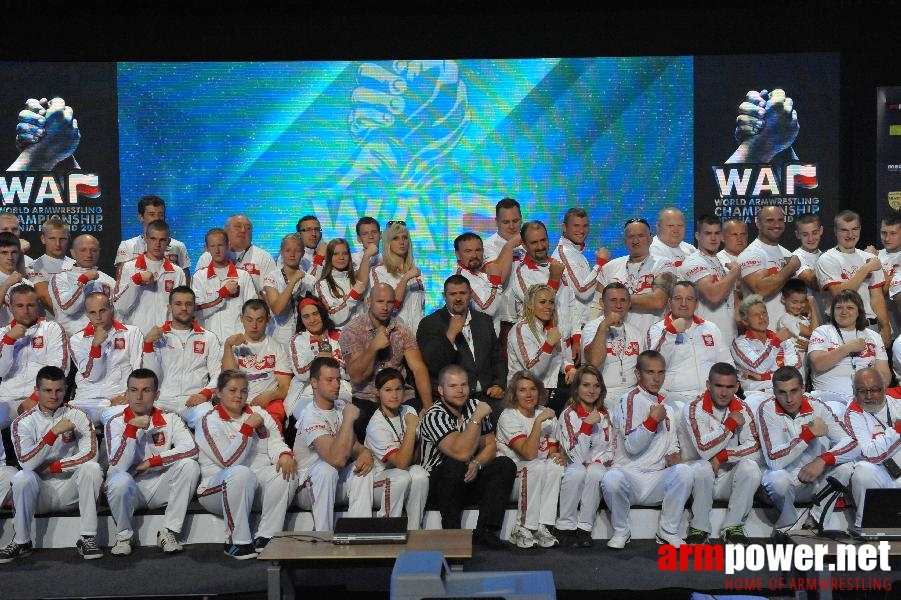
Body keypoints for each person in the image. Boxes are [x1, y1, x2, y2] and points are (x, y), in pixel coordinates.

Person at [0, 366, 103, 562]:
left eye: (59, 390)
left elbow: (90, 454)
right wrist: (53, 433)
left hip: (70, 489)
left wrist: (53, 467)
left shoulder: (78, 415)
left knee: (92, 468)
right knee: (22, 477)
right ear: (36, 391)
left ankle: (88, 538)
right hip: (40, 492)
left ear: (66, 390)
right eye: (47, 390)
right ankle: (21, 541)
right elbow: (28, 463)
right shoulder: (22, 423)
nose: (54, 396)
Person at [196, 370, 298, 559]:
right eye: (232, 390)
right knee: (240, 473)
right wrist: (247, 428)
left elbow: (275, 441)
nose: (238, 395)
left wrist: (284, 454)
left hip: (254, 483)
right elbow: (228, 461)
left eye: (243, 391)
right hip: (216, 489)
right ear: (218, 393)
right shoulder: (209, 420)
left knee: (287, 471)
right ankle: (236, 541)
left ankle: (267, 537)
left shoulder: (258, 412)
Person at [418, 364, 516, 548]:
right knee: (456, 464)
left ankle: (486, 532)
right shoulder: (435, 415)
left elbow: (490, 445)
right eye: (453, 386)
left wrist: (478, 463)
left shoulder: (474, 406)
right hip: (437, 484)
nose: (460, 391)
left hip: (468, 475)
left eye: (463, 385)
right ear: (440, 390)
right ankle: (452, 535)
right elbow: (461, 452)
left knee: (504, 464)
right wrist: (476, 419)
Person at [104, 368, 200, 556]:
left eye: (146, 390)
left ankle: (168, 531)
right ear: (126, 393)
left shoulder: (170, 418)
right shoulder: (114, 422)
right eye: (133, 390)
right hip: (130, 488)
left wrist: (151, 462)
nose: (139, 396)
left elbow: (191, 449)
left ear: (156, 394)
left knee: (190, 466)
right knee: (119, 480)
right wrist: (131, 429)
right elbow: (119, 465)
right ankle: (123, 536)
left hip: (160, 484)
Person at [603, 350, 693, 549]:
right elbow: (632, 446)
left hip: (655, 479)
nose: (656, 378)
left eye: (661, 372)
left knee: (685, 472)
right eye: (650, 372)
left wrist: (674, 454)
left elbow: (670, 444)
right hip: (629, 477)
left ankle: (668, 531)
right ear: (638, 374)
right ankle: (621, 531)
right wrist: (652, 421)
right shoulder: (628, 400)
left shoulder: (667, 407)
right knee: (611, 478)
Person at [758, 366, 858, 534]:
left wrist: (823, 460)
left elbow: (852, 444)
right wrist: (808, 435)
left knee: (845, 468)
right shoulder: (766, 409)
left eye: (794, 391)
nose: (789, 399)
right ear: (774, 392)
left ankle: (815, 520)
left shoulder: (818, 407)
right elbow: (774, 461)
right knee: (778, 480)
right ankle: (788, 528)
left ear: (803, 389)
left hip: (815, 480)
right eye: (782, 392)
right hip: (785, 482)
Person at [293, 357, 384, 531]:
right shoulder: (310, 414)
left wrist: (364, 453)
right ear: (314, 383)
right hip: (306, 488)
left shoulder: (340, 406)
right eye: (329, 380)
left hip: (333, 483)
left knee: (362, 468)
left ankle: (360, 533)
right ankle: (323, 536)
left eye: (338, 379)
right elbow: (337, 460)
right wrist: (349, 419)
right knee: (326, 469)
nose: (336, 385)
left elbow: (354, 447)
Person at [678, 363, 762, 545]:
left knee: (751, 467)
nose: (724, 393)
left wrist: (723, 456)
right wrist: (730, 425)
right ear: (708, 385)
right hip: (697, 478)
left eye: (730, 387)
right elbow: (704, 450)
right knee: (703, 466)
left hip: (726, 478)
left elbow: (755, 447)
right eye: (719, 386)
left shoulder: (743, 408)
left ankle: (733, 526)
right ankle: (699, 527)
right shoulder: (693, 408)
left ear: (737, 386)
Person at [342, 283, 432, 440]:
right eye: (380, 302)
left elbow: (418, 368)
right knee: (359, 418)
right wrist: (372, 348)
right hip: (368, 397)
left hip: (400, 395)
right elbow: (356, 376)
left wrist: (428, 406)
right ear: (369, 301)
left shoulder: (401, 330)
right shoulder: (353, 330)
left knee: (425, 416)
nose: (385, 307)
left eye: (390, 302)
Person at [417, 275, 506, 420]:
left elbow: (497, 358)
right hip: (451, 402)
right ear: (444, 296)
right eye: (453, 294)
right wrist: (450, 335)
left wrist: (499, 384)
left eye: (462, 293)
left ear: (470, 294)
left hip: (487, 397)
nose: (458, 298)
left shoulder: (484, 320)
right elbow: (435, 366)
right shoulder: (430, 324)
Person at [495, 370, 564, 548]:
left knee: (554, 466)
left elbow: (551, 450)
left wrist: (556, 455)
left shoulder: (546, 413)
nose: (528, 394)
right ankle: (522, 527)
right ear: (514, 394)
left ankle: (542, 525)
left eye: (533, 389)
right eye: (522, 390)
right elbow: (529, 454)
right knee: (535, 466)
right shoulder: (509, 417)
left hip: (535, 474)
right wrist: (538, 422)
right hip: (511, 478)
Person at [142, 286, 223, 428]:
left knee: (210, 420)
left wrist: (204, 394)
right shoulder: (157, 336)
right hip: (163, 400)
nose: (184, 308)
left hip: (195, 400)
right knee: (144, 427)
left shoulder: (208, 337)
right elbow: (149, 375)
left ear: (194, 307)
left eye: (188, 304)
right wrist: (148, 345)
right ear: (169, 307)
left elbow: (218, 374)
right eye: (178, 304)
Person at [646, 281, 733, 409]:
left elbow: (726, 363)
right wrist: (671, 332)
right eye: (678, 298)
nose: (684, 304)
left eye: (689, 299)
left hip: (711, 397)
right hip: (674, 399)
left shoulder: (710, 328)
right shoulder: (657, 330)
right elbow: (653, 365)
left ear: (696, 303)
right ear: (669, 303)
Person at [554, 365, 614, 548]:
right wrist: (587, 425)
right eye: (586, 385)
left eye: (596, 386)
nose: (591, 390)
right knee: (578, 471)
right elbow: (577, 456)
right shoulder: (568, 414)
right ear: (577, 388)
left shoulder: (607, 414)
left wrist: (597, 462)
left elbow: (611, 449)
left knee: (595, 472)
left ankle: (584, 527)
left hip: (597, 464)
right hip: (573, 464)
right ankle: (565, 526)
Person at [364, 367, 430, 529]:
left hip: (399, 473)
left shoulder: (408, 410)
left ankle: (415, 529)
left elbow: (414, 458)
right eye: (388, 390)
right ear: (378, 392)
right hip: (377, 481)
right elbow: (401, 463)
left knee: (420, 474)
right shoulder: (376, 425)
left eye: (398, 389)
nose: (394, 395)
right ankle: (388, 528)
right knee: (401, 477)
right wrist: (412, 426)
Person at [816, 210, 891, 347]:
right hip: (840, 328)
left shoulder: (869, 258)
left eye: (854, 229)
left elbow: (877, 297)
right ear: (835, 231)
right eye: (844, 230)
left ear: (860, 229)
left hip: (870, 327)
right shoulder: (827, 259)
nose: (850, 235)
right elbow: (839, 294)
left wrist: (885, 326)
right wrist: (865, 269)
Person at [68, 292, 144, 424]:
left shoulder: (132, 332)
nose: (98, 317)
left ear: (111, 308)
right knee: (69, 425)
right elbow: (92, 376)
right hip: (87, 400)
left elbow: (139, 369)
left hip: (120, 398)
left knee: (123, 423)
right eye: (92, 312)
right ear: (87, 314)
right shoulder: (76, 340)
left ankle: (105, 444)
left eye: (102, 310)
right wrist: (96, 346)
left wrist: (130, 395)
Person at [0, 284, 69, 428]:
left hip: (43, 400)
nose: (26, 311)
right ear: (10, 307)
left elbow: (58, 369)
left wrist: (35, 397)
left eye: (30, 305)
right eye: (20, 306)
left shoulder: (52, 328)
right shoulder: (2, 333)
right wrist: (9, 340)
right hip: (7, 400)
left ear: (38, 305)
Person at [842, 367, 901, 530]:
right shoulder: (853, 413)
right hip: (879, 473)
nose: (869, 396)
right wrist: (897, 430)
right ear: (854, 392)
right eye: (862, 391)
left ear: (884, 388)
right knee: (863, 470)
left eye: (874, 390)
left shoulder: (896, 403)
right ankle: (867, 527)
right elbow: (869, 455)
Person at [738, 205, 815, 328]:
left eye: (780, 220)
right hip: (765, 333)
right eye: (770, 220)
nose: (776, 224)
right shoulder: (751, 254)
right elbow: (761, 290)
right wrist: (790, 268)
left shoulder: (786, 253)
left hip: (790, 336)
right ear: (758, 223)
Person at [808, 290, 890, 404]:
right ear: (833, 311)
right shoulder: (822, 332)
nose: (844, 312)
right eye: (839, 307)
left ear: (859, 312)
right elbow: (819, 364)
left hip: (866, 399)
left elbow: (884, 374)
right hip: (830, 399)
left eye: (850, 308)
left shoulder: (873, 336)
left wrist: (869, 391)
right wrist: (848, 347)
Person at [221, 299, 292, 427]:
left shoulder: (277, 348)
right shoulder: (233, 346)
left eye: (259, 320)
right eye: (249, 320)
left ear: (268, 320)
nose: (254, 325)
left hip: (270, 404)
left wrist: (270, 395)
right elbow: (228, 380)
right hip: (238, 403)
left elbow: (285, 387)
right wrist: (228, 347)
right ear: (241, 319)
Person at [511, 221, 577, 356]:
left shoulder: (556, 265)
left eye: (543, 240)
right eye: (534, 242)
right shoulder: (521, 274)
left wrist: (576, 337)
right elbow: (537, 307)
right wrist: (554, 279)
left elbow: (571, 303)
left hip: (567, 348)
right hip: (541, 348)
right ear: (524, 245)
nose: (540, 246)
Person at [507, 284, 575, 413]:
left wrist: (569, 368)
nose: (548, 306)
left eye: (551, 302)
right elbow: (533, 371)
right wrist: (549, 343)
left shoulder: (551, 328)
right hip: (525, 395)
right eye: (542, 302)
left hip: (549, 390)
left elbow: (560, 358)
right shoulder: (521, 330)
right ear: (530, 305)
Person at [596, 218, 670, 335]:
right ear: (625, 241)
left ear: (650, 239)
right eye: (631, 236)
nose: (636, 240)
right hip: (615, 338)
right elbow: (596, 306)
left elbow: (658, 301)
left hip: (652, 338)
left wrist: (614, 300)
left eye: (641, 236)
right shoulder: (610, 267)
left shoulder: (664, 265)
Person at [114, 219, 187, 336]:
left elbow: (181, 310)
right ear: (146, 238)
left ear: (168, 241)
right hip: (137, 336)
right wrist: (136, 281)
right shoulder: (129, 267)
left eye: (162, 240)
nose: (157, 244)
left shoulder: (177, 272)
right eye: (153, 239)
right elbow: (121, 308)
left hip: (166, 337)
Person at [285, 298, 351, 419]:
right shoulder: (298, 340)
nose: (312, 320)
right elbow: (302, 374)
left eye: (315, 314)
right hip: (308, 392)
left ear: (322, 313)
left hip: (338, 390)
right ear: (301, 320)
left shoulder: (339, 335)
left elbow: (349, 373)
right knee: (312, 416)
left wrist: (331, 359)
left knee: (343, 415)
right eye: (306, 316)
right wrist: (318, 357)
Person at [679, 214, 741, 340]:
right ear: (697, 236)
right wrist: (734, 272)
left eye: (717, 233)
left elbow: (733, 300)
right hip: (704, 337)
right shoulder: (694, 262)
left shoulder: (723, 261)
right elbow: (713, 296)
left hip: (729, 335)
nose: (713, 238)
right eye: (707, 233)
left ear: (722, 236)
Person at [731, 294, 800, 404]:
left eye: (764, 313)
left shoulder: (784, 339)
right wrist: (776, 342)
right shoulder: (740, 343)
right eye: (756, 315)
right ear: (745, 321)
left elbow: (794, 371)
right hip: (757, 397)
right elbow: (758, 367)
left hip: (786, 394)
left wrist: (762, 377)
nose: (762, 318)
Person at [582, 283, 645, 402]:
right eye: (613, 300)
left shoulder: (636, 333)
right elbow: (594, 362)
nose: (618, 305)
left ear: (629, 304)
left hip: (631, 395)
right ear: (602, 303)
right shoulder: (592, 328)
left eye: (623, 300)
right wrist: (604, 325)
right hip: (601, 395)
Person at [192, 227, 257, 343]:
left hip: (237, 342)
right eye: (212, 246)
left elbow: (252, 311)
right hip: (209, 344)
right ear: (206, 248)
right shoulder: (199, 277)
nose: (217, 250)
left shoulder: (243, 276)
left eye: (220, 245)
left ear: (228, 245)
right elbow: (196, 310)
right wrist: (222, 293)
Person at [47, 234, 116, 338]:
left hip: (103, 340)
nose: (89, 254)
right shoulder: (60, 278)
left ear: (99, 252)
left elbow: (116, 315)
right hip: (70, 341)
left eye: (93, 250)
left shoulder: (108, 281)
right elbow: (68, 307)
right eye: (83, 250)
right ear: (73, 253)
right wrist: (84, 279)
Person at [552, 208, 607, 334]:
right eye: (576, 226)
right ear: (564, 227)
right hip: (573, 331)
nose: (581, 231)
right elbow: (583, 291)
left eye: (585, 226)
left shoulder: (576, 253)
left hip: (582, 327)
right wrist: (601, 264)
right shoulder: (564, 254)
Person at [115, 195, 191, 283]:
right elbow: (120, 280)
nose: (157, 218)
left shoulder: (178, 246)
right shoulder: (127, 246)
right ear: (141, 217)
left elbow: (185, 282)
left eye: (161, 215)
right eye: (152, 214)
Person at [194, 214, 277, 295]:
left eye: (248, 228)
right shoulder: (207, 257)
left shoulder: (264, 258)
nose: (243, 230)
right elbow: (197, 295)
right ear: (225, 230)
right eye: (238, 226)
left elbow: (272, 296)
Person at [482, 198, 526, 347]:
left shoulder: (530, 243)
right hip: (503, 320)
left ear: (521, 219)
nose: (512, 226)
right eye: (506, 222)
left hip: (530, 319)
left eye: (515, 220)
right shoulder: (488, 246)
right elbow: (498, 278)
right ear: (496, 222)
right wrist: (510, 245)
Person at [262, 234, 316, 346]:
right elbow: (277, 309)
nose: (292, 254)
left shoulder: (310, 280)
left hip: (305, 337)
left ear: (303, 253)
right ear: (281, 252)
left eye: (297, 251)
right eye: (288, 250)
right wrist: (292, 282)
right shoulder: (272, 278)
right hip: (279, 337)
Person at [371, 221, 426, 333]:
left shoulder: (417, 274)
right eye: (395, 238)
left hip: (418, 336)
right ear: (388, 243)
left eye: (405, 237)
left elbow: (421, 309)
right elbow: (390, 308)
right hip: (394, 335)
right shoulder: (378, 272)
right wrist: (405, 279)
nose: (402, 242)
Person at [452, 232, 508, 331]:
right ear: (457, 254)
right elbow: (486, 310)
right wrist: (495, 279)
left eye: (478, 250)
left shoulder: (479, 272)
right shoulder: (459, 279)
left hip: (491, 337)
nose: (474, 255)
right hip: (476, 341)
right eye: (468, 251)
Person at [316, 238, 373, 330]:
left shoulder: (354, 280)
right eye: (335, 254)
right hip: (340, 338)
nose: (341, 257)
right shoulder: (322, 284)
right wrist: (353, 296)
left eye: (345, 253)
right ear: (329, 257)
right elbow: (334, 318)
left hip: (363, 335)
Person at [29, 217, 74, 311]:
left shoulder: (76, 265)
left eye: (62, 239)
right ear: (43, 239)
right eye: (52, 238)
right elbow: (44, 296)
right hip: (48, 323)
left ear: (68, 238)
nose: (58, 244)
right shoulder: (34, 266)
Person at [792, 213, 829, 322]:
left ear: (821, 230)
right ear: (797, 235)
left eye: (815, 233)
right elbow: (813, 283)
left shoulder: (823, 255)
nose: (811, 238)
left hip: (825, 317)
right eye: (805, 234)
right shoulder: (796, 258)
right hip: (806, 321)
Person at [775, 278, 818, 368]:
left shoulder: (806, 319)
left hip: (806, 366)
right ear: (783, 299)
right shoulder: (786, 319)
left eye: (802, 302)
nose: (798, 306)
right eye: (794, 302)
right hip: (793, 366)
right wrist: (812, 306)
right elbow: (814, 332)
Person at [0, 231, 34, 326]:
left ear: (19, 253)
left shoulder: (27, 283)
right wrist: (7, 284)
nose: (10, 257)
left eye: (14, 252)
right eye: (4, 253)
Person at [879, 210, 901, 335]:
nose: (887, 238)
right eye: (884, 233)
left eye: (893, 233)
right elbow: (877, 292)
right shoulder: (873, 256)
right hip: (883, 330)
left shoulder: (873, 259)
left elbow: (885, 287)